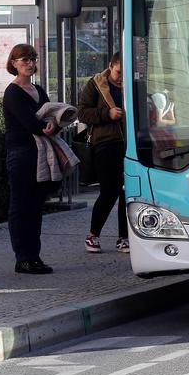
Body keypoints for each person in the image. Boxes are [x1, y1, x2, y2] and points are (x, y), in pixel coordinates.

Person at [2, 44, 57, 274]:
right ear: (14, 63)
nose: (30, 63)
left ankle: (34, 255)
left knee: (35, 207)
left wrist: (54, 123)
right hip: (21, 153)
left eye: (33, 59)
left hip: (40, 153)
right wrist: (46, 124)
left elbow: (50, 115)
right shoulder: (13, 92)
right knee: (20, 206)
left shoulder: (39, 89)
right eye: (24, 59)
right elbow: (32, 123)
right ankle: (22, 257)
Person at [77, 52, 128, 253]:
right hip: (105, 143)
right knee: (109, 191)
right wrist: (107, 114)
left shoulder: (132, 85)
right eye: (118, 72)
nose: (121, 77)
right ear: (110, 66)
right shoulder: (96, 84)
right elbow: (82, 112)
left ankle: (123, 237)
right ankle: (93, 235)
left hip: (128, 144)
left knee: (127, 191)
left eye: (125, 73)